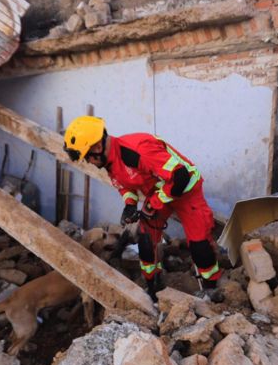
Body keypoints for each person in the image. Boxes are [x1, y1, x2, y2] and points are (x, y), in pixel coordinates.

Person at [64, 116, 221, 300]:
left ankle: (210, 288)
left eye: (87, 157)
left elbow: (181, 177)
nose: (89, 162)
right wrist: (130, 205)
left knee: (199, 243)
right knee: (145, 239)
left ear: (98, 147)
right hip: (159, 191)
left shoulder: (138, 150)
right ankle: (153, 286)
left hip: (186, 190)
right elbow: (124, 186)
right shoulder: (110, 161)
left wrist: (154, 203)